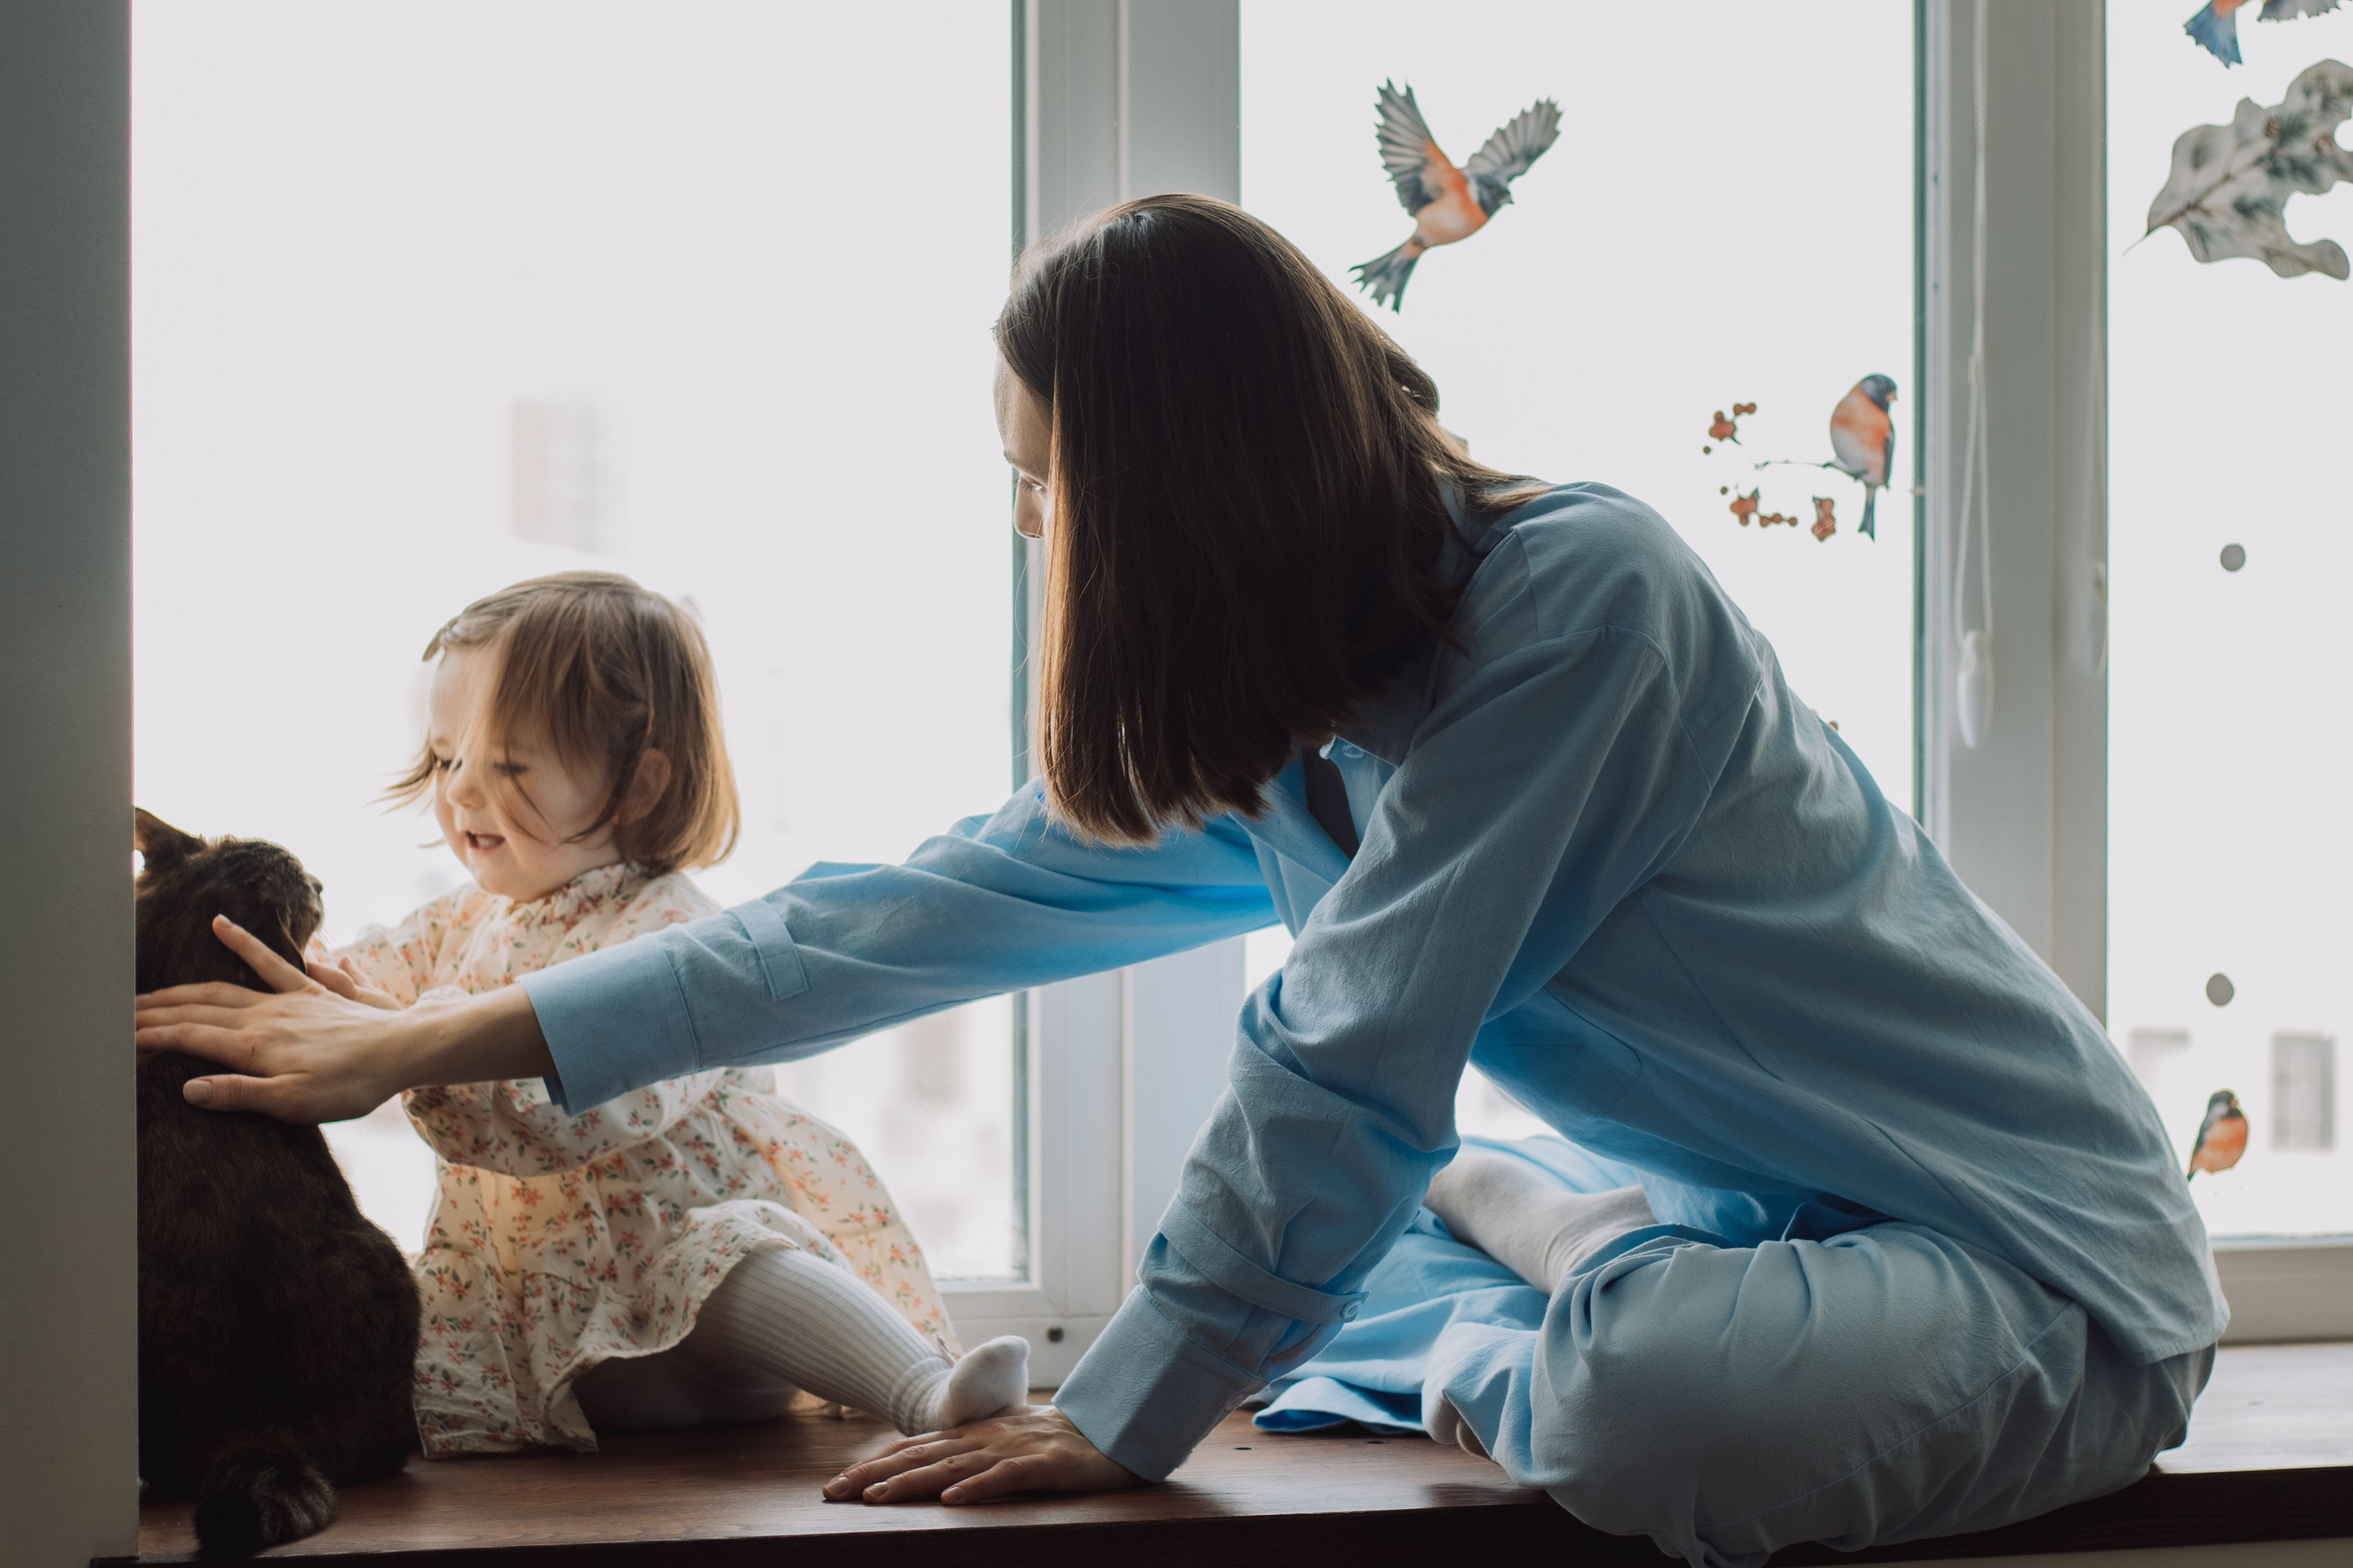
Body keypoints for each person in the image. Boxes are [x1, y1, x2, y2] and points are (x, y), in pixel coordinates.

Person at [138, 197, 2222, 1567]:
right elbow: (884, 916)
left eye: (1041, 482)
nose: (1035, 530)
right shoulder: (1295, 723)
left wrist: (1134, 1416)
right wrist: (426, 1025)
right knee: (1369, 1297)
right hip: (1756, 1215)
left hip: (2039, 1263)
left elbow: (1348, 1047)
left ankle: (1533, 1234)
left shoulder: (1578, 606)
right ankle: (1536, 1222)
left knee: (1638, 1408)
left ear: (1165, 479)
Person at [295, 572, 1029, 1455]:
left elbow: (577, 1119)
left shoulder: (675, 933)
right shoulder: (463, 920)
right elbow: (349, 974)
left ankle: (926, 1394)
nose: (459, 794)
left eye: (508, 764)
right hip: (559, 1341)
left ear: (636, 787)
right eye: (448, 758)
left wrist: (413, 1048)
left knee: (725, 1259)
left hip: (695, 1329)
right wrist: (281, 974)